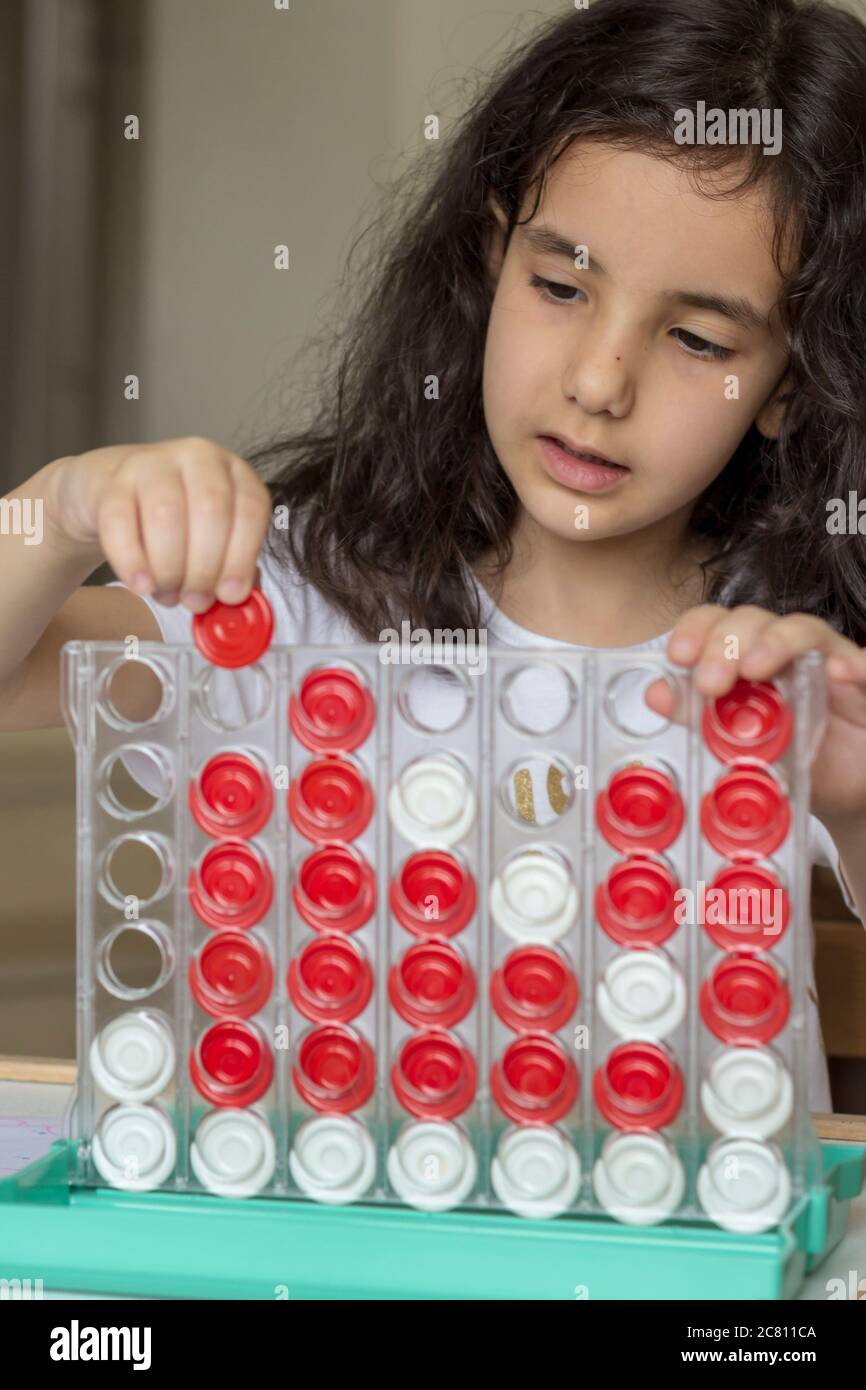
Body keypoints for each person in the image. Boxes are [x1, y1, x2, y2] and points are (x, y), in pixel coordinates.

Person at [3, 0, 866, 1113]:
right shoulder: (301, 601)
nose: (599, 383)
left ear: (788, 388)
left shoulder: (786, 665)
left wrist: (847, 797)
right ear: (487, 262)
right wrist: (61, 505)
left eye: (697, 339)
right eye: (560, 288)